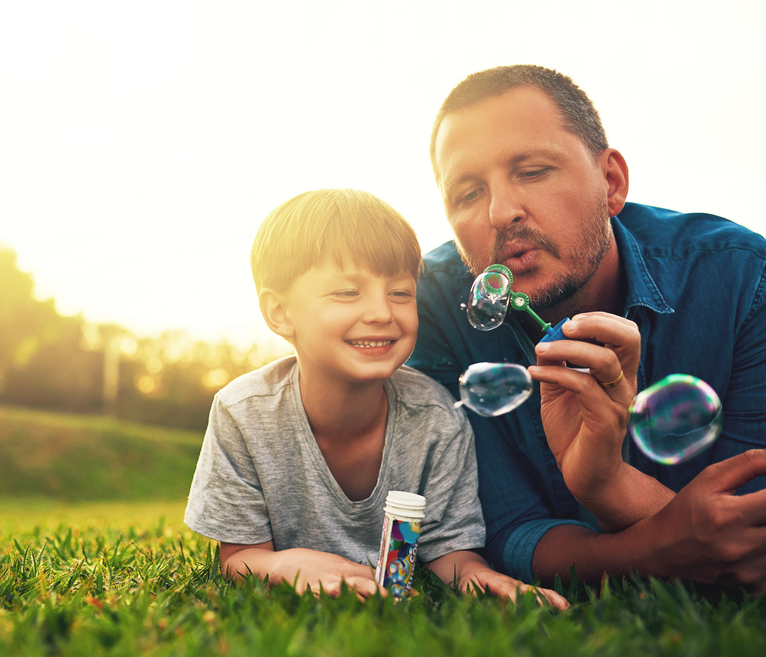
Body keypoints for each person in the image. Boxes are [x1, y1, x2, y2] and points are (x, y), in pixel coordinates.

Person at [408, 65, 766, 597]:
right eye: (466, 193)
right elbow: (499, 531)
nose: (500, 212)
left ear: (611, 182)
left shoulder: (739, 276)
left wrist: (612, 485)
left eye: (532, 171)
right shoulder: (429, 302)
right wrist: (656, 547)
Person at [185, 188, 568, 607]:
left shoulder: (436, 417)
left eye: (400, 293)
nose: (382, 313)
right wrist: (286, 566)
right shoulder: (243, 413)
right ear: (280, 312)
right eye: (347, 293)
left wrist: (482, 579)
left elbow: (449, 552)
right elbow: (239, 557)